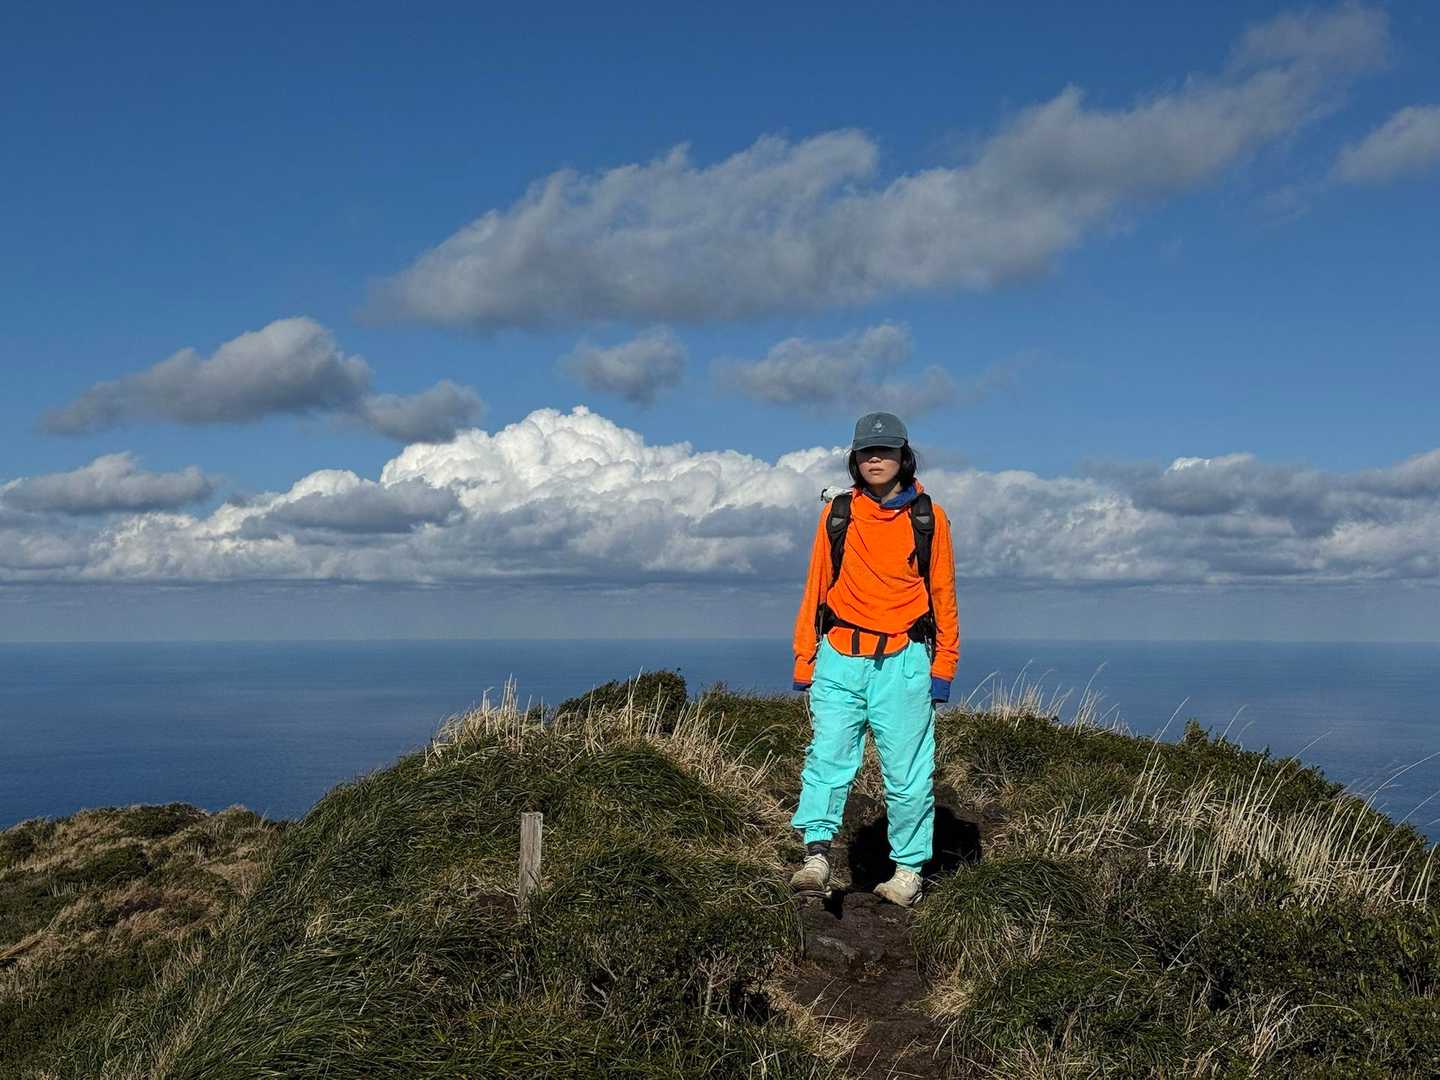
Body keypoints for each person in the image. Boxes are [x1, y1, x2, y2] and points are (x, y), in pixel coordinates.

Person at [788, 411, 960, 907]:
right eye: (867, 451)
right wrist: (805, 659)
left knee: (908, 775)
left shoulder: (929, 518)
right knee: (826, 761)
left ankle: (907, 872)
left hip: (904, 660)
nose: (876, 459)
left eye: (885, 450)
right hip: (839, 656)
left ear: (904, 456)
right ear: (855, 459)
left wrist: (943, 667)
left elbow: (943, 594)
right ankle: (816, 858)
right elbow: (816, 587)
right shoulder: (837, 514)